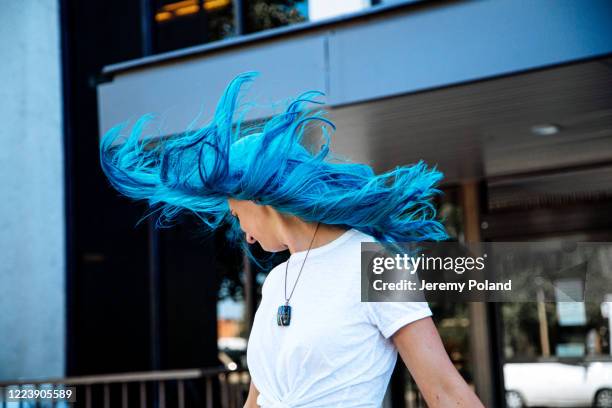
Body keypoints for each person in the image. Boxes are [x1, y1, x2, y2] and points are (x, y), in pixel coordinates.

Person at [99, 71, 485, 407]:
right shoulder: (278, 282)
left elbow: (445, 390)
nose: (245, 236)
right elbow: (259, 397)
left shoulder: (375, 263)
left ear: (256, 199)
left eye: (237, 216)